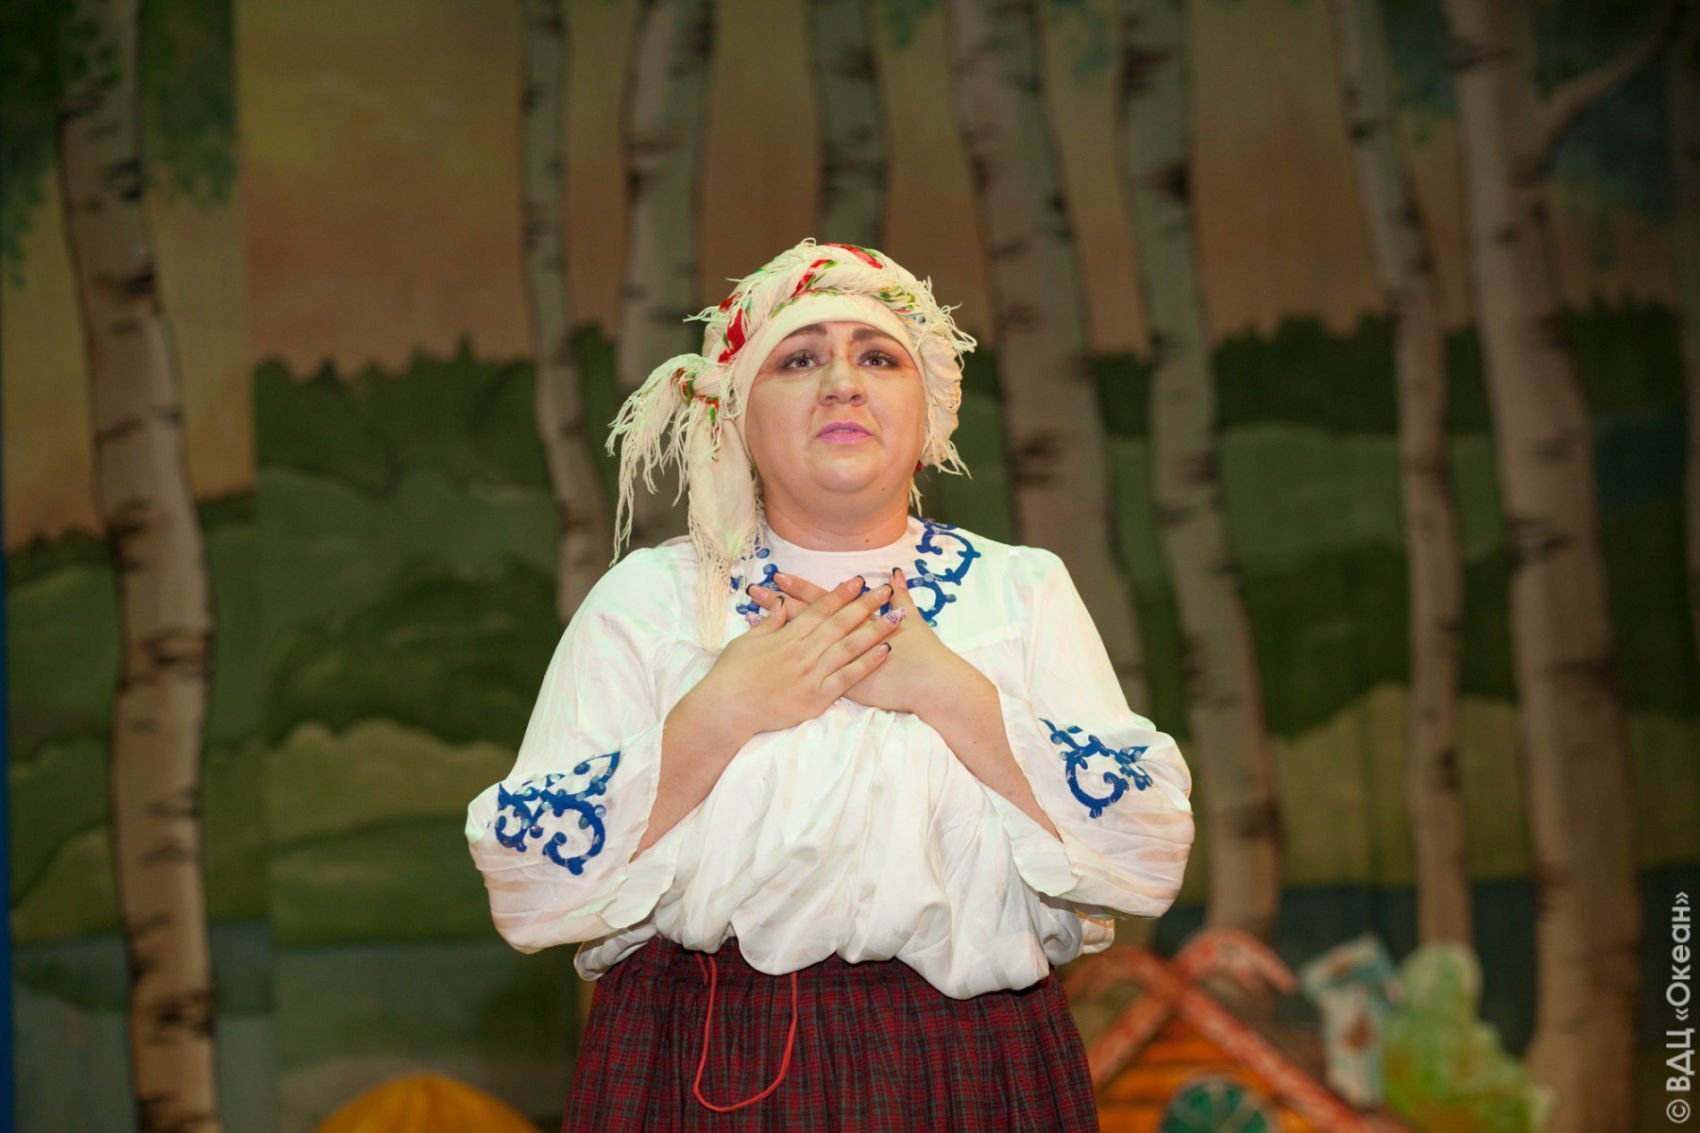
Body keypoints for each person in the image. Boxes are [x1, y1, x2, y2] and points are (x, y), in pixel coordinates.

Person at [464, 238, 1195, 1131]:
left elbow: (1150, 849)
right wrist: (719, 713)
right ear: (735, 414)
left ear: (929, 410)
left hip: (978, 1060)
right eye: (800, 359)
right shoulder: (651, 602)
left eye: (878, 357)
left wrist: (948, 690)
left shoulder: (1020, 591)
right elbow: (528, 878)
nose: (843, 383)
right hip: (706, 1053)